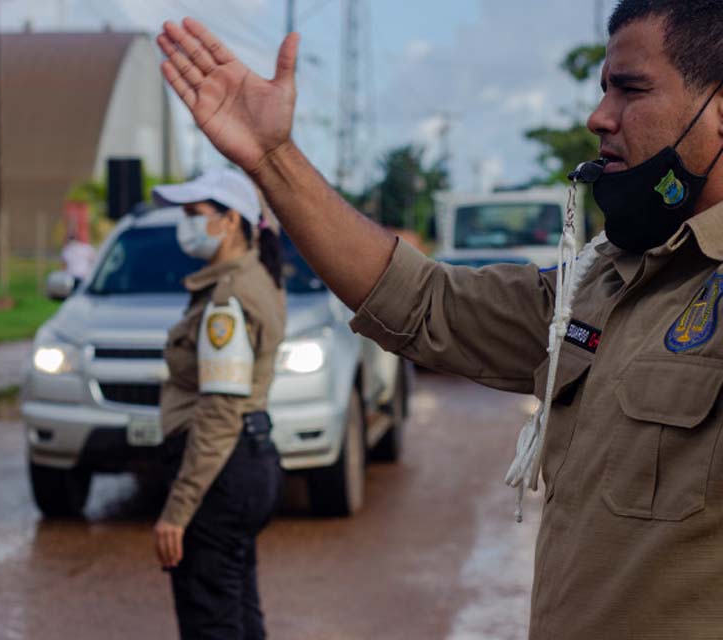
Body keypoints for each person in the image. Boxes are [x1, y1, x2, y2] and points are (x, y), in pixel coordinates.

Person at [156, 2, 723, 637]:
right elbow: (424, 300)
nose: (599, 117)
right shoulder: (605, 283)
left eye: (631, 89)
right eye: (603, 90)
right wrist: (272, 159)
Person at [151, 168, 286, 639]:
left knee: (211, 620)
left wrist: (178, 510)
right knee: (238, 610)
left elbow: (219, 412)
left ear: (230, 221)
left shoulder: (228, 299)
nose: (185, 224)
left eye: (195, 213)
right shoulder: (251, 280)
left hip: (221, 472)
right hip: (246, 461)